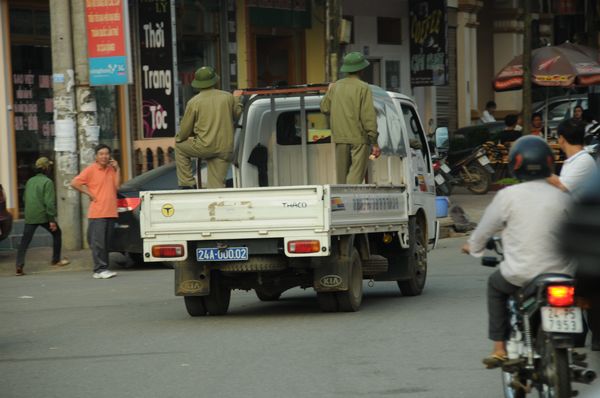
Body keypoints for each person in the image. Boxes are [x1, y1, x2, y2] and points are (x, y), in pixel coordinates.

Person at [462, 136, 573, 368]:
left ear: (516, 164)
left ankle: (499, 347)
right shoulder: (563, 197)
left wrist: (473, 246)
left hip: (522, 274)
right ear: (549, 163)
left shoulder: (508, 196)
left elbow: (484, 230)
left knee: (495, 285)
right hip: (562, 275)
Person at [175, 66, 242, 189]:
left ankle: (187, 184)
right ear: (214, 81)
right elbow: (239, 114)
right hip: (225, 148)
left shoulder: (194, 102)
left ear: (198, 84)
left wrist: (179, 138)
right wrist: (237, 98)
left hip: (204, 146)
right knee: (216, 187)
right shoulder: (228, 97)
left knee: (179, 147)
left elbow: (185, 130)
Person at [320, 52, 380, 184]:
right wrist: (374, 141)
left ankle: (341, 201)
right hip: (359, 139)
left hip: (340, 138)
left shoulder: (335, 87)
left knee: (341, 179)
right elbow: (368, 117)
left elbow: (324, 108)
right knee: (355, 177)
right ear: (361, 69)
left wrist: (329, 91)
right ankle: (350, 202)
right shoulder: (363, 88)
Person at [71, 144, 120, 279]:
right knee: (98, 243)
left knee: (106, 243)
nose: (104, 156)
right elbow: (75, 182)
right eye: (101, 154)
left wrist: (118, 169)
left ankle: (102, 269)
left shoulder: (111, 169)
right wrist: (89, 193)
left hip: (111, 211)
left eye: (106, 154)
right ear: (96, 157)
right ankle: (100, 269)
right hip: (98, 212)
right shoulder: (91, 170)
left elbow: (116, 186)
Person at [15, 157, 70, 276]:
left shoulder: (30, 181)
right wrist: (52, 220)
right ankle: (56, 260)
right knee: (57, 233)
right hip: (43, 215)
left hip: (30, 215)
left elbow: (24, 198)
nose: (50, 168)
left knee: (25, 241)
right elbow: (49, 203)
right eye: (49, 166)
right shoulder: (47, 182)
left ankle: (19, 265)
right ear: (46, 168)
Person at [547, 120, 598, 199]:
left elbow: (562, 185)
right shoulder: (575, 159)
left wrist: (540, 171)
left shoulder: (584, 160)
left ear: (561, 139)